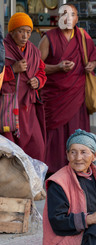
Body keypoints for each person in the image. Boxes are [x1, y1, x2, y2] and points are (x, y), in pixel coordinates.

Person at [39, 4, 96, 176]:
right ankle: (52, 171)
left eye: (71, 14)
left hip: (76, 95)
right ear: (58, 18)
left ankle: (78, 169)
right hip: (54, 97)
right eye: (63, 14)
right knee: (53, 136)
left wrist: (90, 65)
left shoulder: (82, 36)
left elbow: (94, 59)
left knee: (76, 131)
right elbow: (37, 66)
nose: (67, 18)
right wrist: (57, 67)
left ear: (76, 19)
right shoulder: (48, 38)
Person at [1, 13, 47, 162]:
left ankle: (33, 182)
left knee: (37, 147)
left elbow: (42, 72)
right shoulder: (3, 49)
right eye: (21, 31)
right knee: (10, 151)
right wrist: (12, 69)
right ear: (12, 31)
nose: (25, 36)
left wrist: (38, 81)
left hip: (28, 109)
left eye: (28, 32)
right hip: (8, 108)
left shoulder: (33, 50)